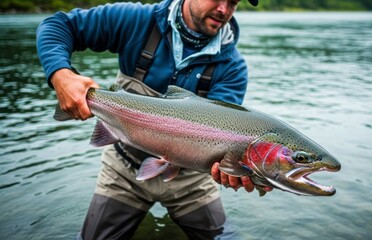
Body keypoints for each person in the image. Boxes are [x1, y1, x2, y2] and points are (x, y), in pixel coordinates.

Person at [37, 0, 270, 239]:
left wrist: (233, 168)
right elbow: (58, 25)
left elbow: (221, 141)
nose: (224, 9)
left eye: (233, 2)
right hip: (124, 168)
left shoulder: (233, 69)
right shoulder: (137, 21)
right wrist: (60, 74)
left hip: (189, 180)